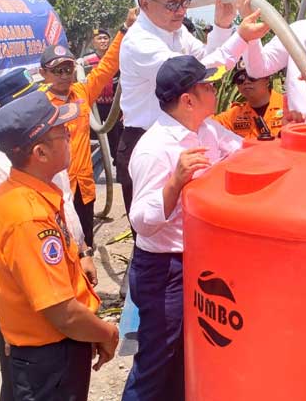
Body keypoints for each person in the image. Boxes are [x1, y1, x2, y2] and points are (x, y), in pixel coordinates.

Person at [0, 69, 95, 401]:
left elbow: (63, 204)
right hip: (25, 304)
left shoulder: (43, 156)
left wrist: (82, 251)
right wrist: (9, 325)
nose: (45, 101)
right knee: (28, 384)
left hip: (56, 281)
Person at [117, 0, 270, 237]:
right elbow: (201, 74)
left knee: (188, 233)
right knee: (154, 235)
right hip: (147, 141)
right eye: (172, 4)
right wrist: (241, 38)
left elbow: (201, 59)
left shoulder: (175, 31)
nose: (181, 11)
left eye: (184, 1)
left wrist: (223, 26)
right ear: (145, 3)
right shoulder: (140, 43)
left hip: (182, 135)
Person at [122, 55, 243, 401]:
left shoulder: (207, 130)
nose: (214, 89)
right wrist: (175, 183)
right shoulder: (155, 149)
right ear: (188, 99)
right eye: (206, 85)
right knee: (156, 362)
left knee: (185, 358)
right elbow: (141, 221)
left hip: (196, 263)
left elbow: (242, 152)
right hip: (164, 270)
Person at [0, 90, 119, 401]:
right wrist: (107, 333)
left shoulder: (25, 192)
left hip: (52, 353)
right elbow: (63, 313)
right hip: (49, 361)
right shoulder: (29, 215)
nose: (71, 134)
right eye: (62, 132)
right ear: (40, 153)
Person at [40, 8, 136, 250]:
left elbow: (107, 67)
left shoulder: (82, 93)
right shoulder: (38, 105)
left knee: (86, 248)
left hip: (83, 189)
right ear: (44, 74)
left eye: (68, 69)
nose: (64, 75)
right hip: (55, 191)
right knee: (61, 250)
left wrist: (124, 29)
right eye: (57, 71)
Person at [213, 59, 283, 139]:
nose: (246, 82)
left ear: (266, 79)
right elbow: (205, 124)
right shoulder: (234, 116)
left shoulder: (288, 107)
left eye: (252, 76)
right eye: (240, 79)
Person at [82, 28, 124, 161]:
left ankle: (119, 168)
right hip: (95, 106)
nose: (103, 41)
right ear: (93, 42)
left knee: (117, 138)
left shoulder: (118, 59)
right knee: (93, 140)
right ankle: (96, 166)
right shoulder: (85, 61)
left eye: (105, 38)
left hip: (114, 106)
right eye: (99, 38)